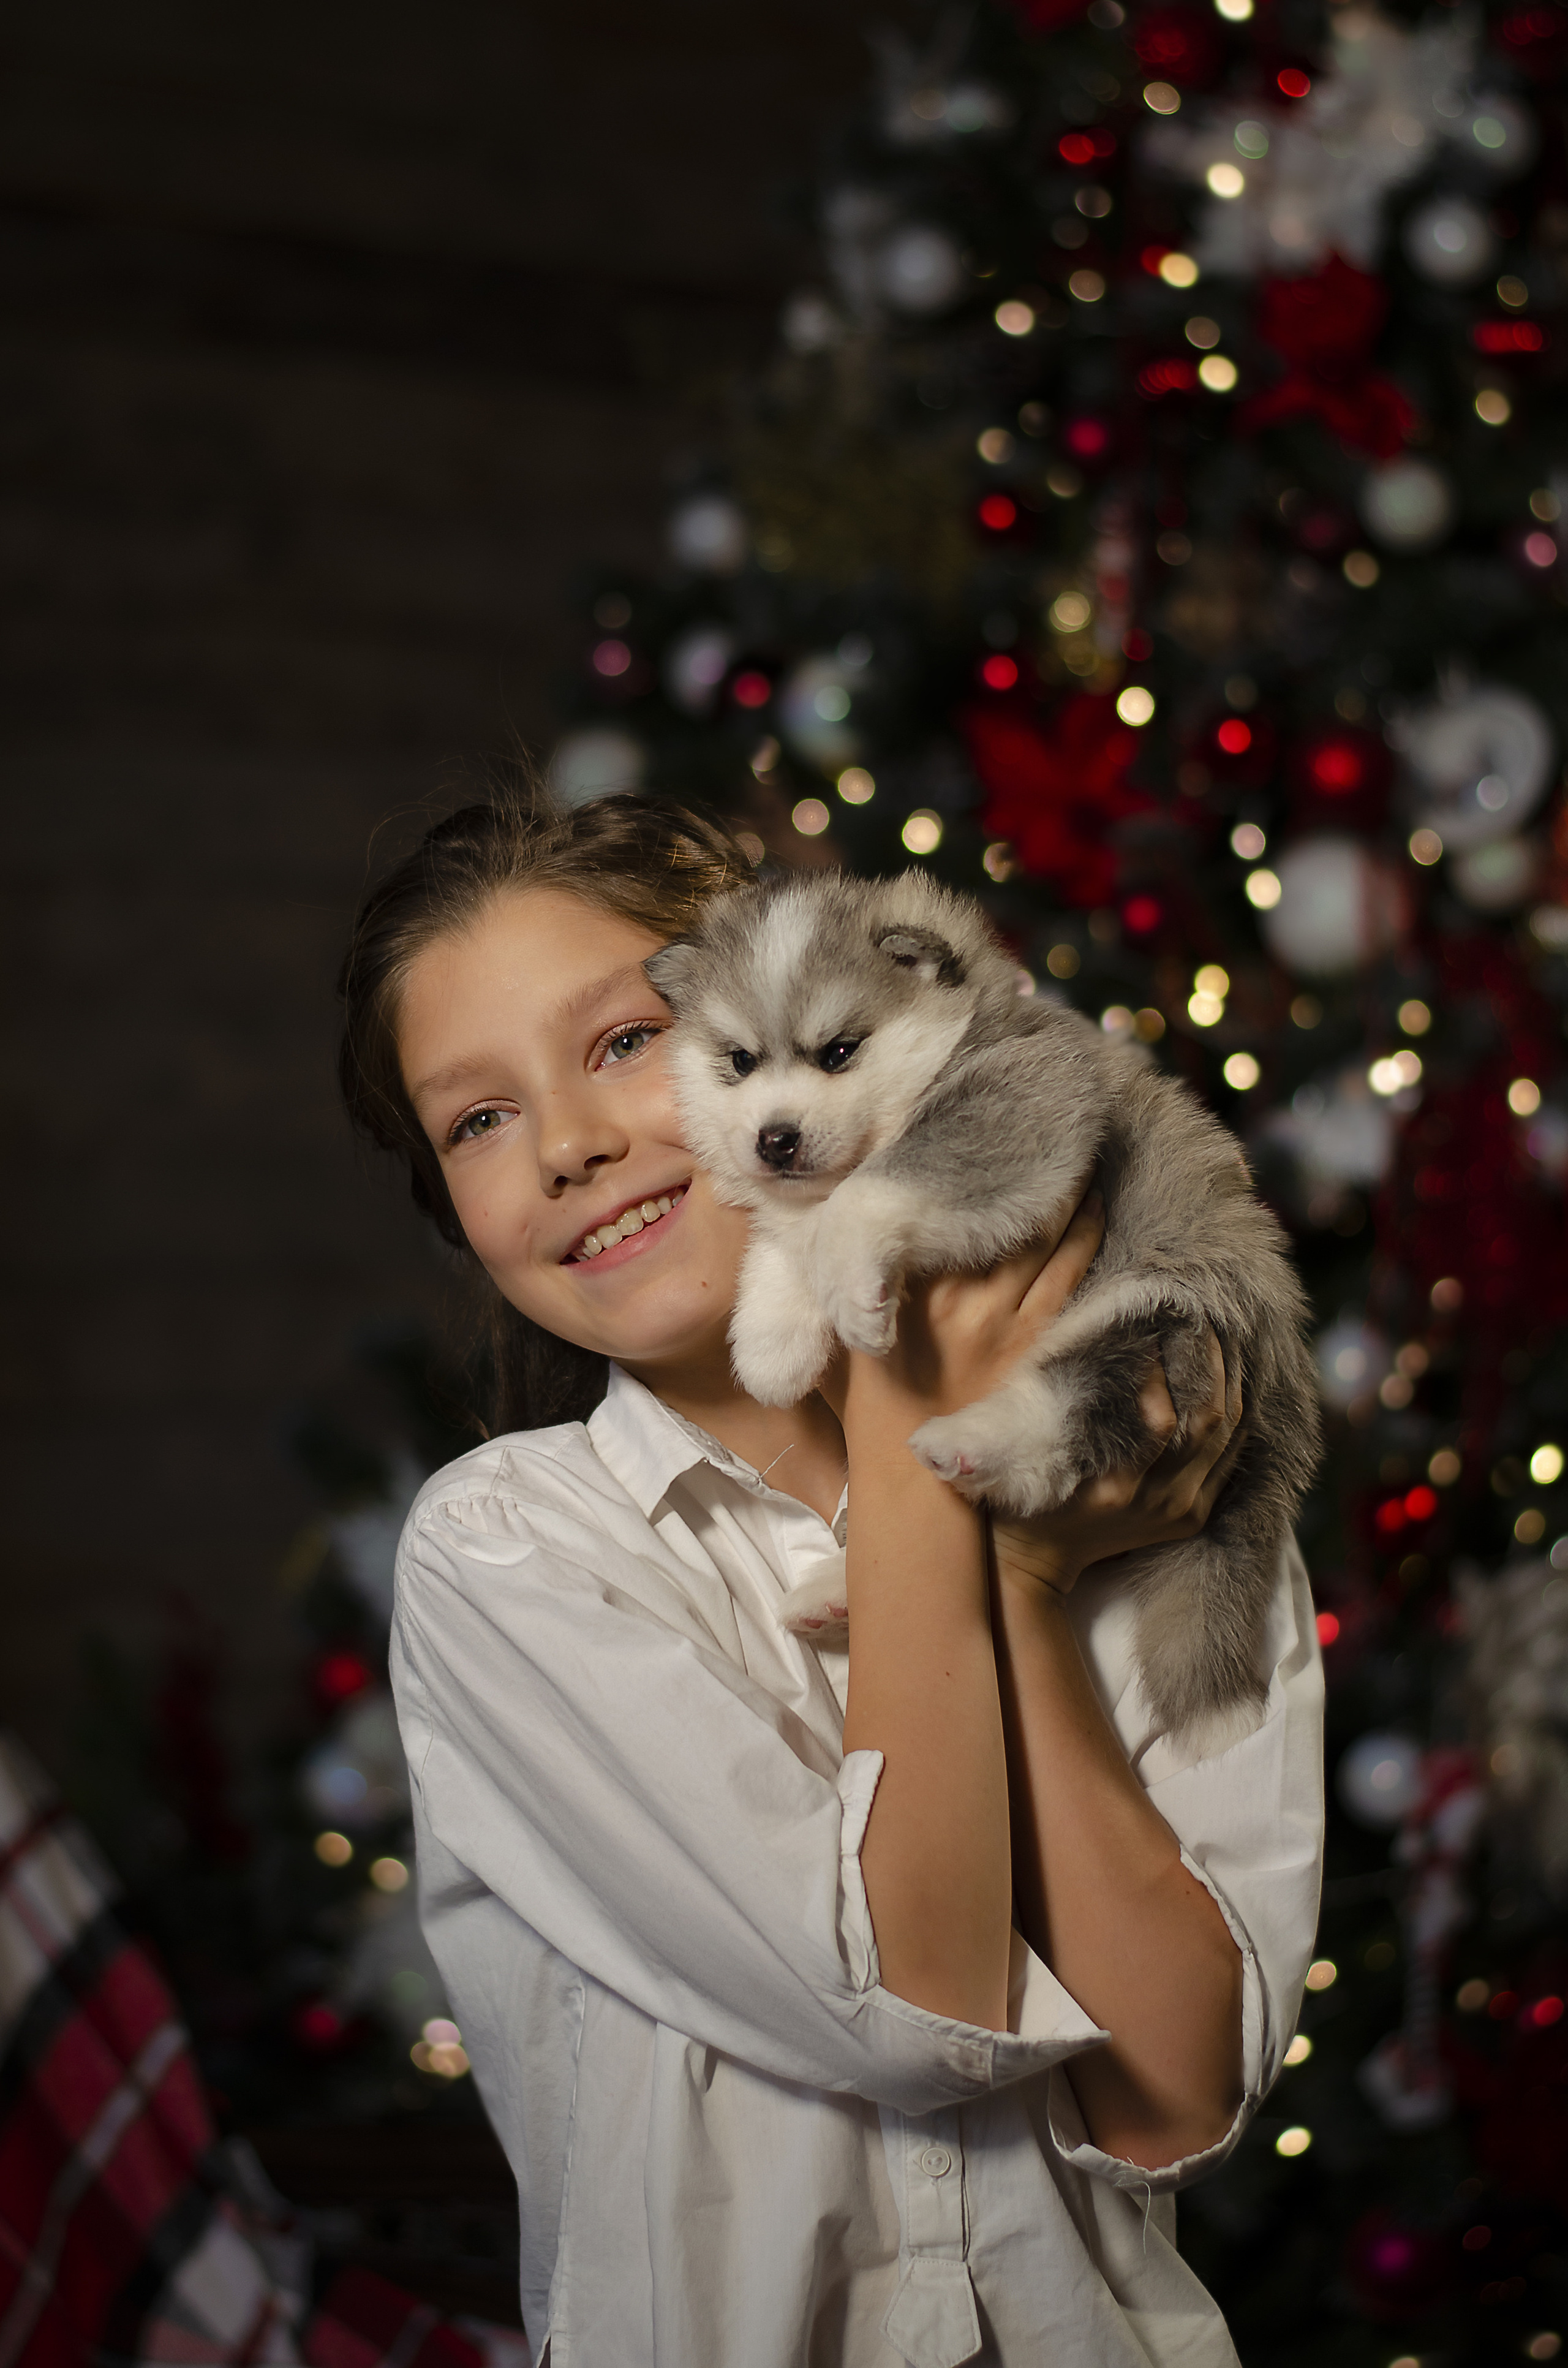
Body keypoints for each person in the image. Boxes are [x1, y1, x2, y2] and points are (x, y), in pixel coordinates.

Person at [338, 788, 1324, 2368]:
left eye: (622, 1042)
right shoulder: (508, 1555)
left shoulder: (1148, 1455)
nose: (575, 1145)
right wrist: (946, 1489)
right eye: (477, 1119)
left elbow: (1173, 2093)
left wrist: (1013, 1573)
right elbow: (914, 1998)